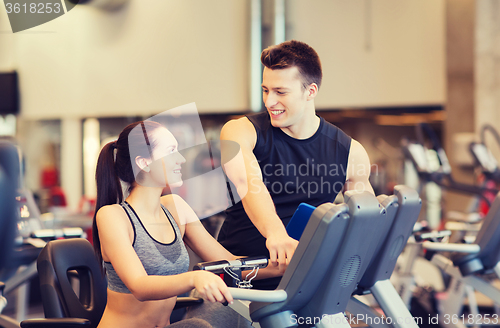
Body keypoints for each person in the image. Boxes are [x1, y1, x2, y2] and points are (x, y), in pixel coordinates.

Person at [218, 40, 375, 290]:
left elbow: (366, 222)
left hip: (304, 281)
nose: (269, 102)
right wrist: (276, 233)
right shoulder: (240, 131)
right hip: (240, 280)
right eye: (265, 90)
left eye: (280, 92)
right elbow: (248, 183)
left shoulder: (350, 152)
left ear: (310, 91)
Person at [93, 120, 279, 328]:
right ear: (144, 162)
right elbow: (140, 286)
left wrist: (285, 266)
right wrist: (195, 278)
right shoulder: (113, 216)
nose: (180, 159)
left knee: (227, 307)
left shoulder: (175, 208)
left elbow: (228, 262)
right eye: (171, 151)